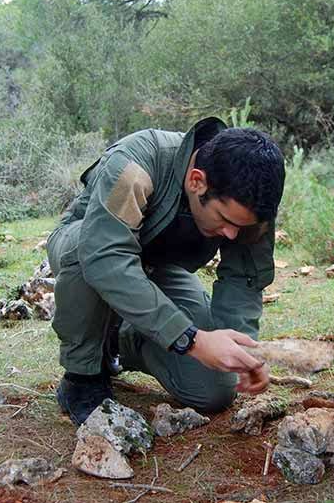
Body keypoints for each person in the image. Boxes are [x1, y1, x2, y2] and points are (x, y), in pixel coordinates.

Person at [46, 117, 285, 425]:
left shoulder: (251, 202)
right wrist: (192, 340)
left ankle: (120, 339)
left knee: (213, 391)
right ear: (196, 181)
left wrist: (242, 354)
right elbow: (105, 257)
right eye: (224, 220)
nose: (232, 236)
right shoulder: (137, 164)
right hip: (88, 249)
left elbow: (244, 278)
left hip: (155, 267)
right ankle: (82, 375)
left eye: (242, 227)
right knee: (89, 250)